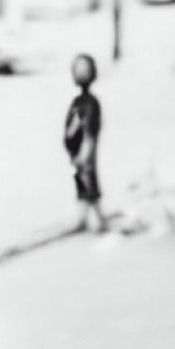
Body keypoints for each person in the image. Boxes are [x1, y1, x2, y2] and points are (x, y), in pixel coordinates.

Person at [63, 53, 107, 233]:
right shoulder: (78, 102)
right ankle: (88, 219)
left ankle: (99, 221)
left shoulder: (90, 103)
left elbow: (90, 131)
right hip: (77, 154)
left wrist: (84, 153)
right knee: (82, 184)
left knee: (89, 183)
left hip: (84, 153)